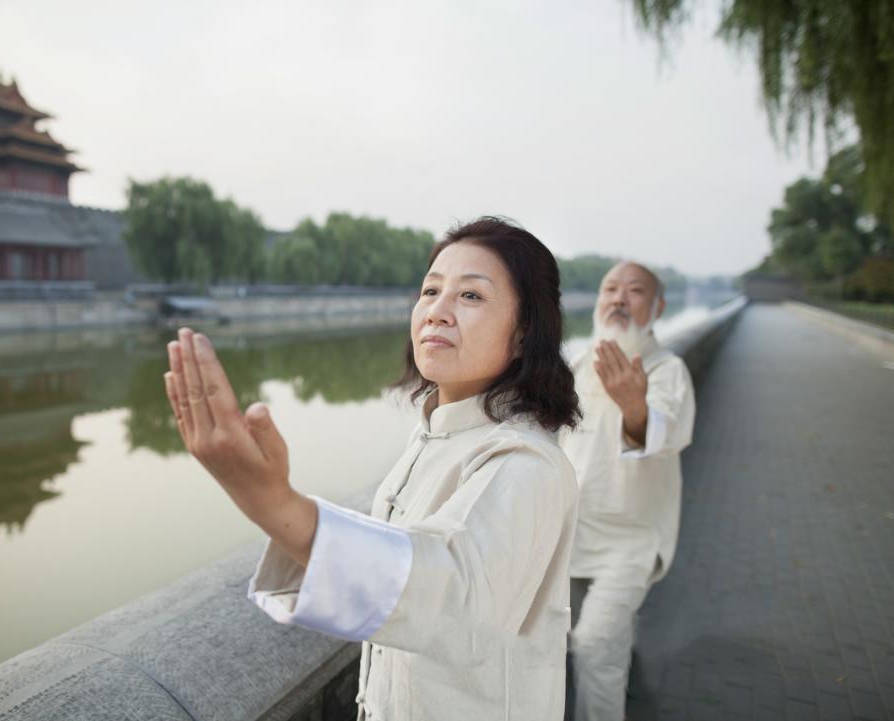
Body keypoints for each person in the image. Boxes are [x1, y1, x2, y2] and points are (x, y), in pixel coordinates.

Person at [163, 217, 581, 720]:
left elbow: (452, 595)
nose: (437, 312)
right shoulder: (435, 432)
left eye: (470, 296)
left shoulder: (527, 463)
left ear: (524, 333)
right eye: (430, 291)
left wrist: (274, 504)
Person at [559, 262, 696, 721]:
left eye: (634, 291)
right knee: (560, 640)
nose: (619, 298)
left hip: (629, 543)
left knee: (594, 647)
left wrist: (635, 407)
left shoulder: (667, 369)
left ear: (658, 307)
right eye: (610, 289)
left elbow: (666, 432)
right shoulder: (580, 362)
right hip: (570, 534)